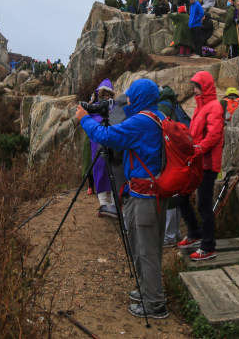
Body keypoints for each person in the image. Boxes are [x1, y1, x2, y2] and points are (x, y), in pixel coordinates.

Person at [76, 79, 168, 319]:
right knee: (149, 247)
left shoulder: (140, 123)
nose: (127, 100)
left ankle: (155, 304)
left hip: (144, 196)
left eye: (131, 96)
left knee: (145, 249)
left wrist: (85, 118)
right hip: (156, 193)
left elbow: (106, 136)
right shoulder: (159, 117)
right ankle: (148, 289)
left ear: (140, 96)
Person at [175, 71, 224, 261]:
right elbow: (194, 132)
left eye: (196, 86)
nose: (194, 90)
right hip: (197, 161)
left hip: (208, 164)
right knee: (181, 197)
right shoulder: (200, 106)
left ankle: (208, 246)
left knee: (204, 205)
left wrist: (198, 148)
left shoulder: (214, 107)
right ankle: (195, 233)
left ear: (205, 87)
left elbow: (214, 135)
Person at [83, 79, 119, 218]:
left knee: (115, 173)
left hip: (113, 146)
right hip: (97, 146)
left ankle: (115, 206)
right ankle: (104, 204)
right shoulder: (94, 108)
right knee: (99, 171)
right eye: (104, 95)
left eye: (109, 95)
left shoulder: (115, 108)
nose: (107, 98)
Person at [157, 86, 183, 247]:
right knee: (176, 193)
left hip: (169, 155)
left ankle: (169, 236)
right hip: (178, 154)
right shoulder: (174, 105)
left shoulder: (162, 107)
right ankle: (176, 232)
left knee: (169, 196)